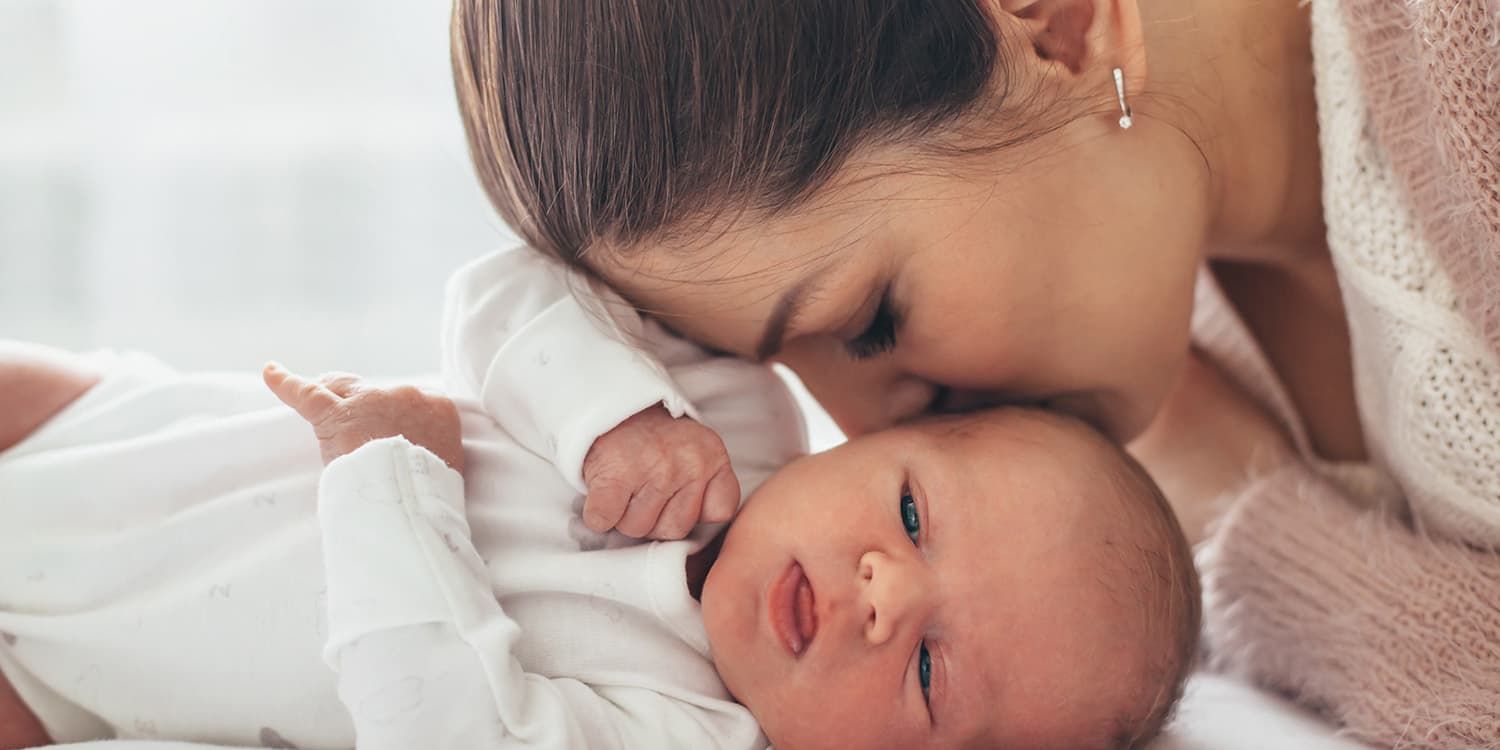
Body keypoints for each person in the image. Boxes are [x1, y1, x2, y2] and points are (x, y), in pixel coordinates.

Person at [450, 0, 1500, 745]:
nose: (864, 429)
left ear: (1059, 21)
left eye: (870, 318)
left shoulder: (1469, 64)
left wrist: (1266, 544)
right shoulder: (1119, 429)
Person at [0, 248, 1199, 750]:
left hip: (65, 678)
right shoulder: (729, 404)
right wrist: (612, 415)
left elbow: (445, 725)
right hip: (126, 433)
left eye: (933, 673)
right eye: (914, 517)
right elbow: (507, 285)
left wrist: (390, 475)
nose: (885, 593)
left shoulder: (686, 731)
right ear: (877, 435)